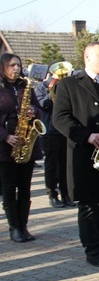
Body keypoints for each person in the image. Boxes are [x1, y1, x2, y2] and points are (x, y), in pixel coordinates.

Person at [53, 42, 99, 267]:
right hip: (84, 154)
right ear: (87, 58)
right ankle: (93, 251)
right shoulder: (68, 84)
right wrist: (88, 136)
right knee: (88, 205)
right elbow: (60, 118)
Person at [0, 53, 43, 242]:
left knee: (25, 188)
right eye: (11, 65)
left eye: (18, 65)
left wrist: (35, 111)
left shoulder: (25, 85)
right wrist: (5, 136)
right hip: (5, 147)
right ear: (3, 67)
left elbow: (39, 107)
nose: (16, 69)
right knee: (9, 188)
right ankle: (14, 227)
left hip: (26, 143)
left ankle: (24, 226)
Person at [35, 67, 74, 208]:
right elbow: (41, 105)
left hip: (64, 131)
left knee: (65, 164)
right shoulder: (42, 87)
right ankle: (52, 195)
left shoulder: (66, 85)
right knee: (51, 165)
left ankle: (66, 194)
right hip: (50, 130)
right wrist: (51, 93)